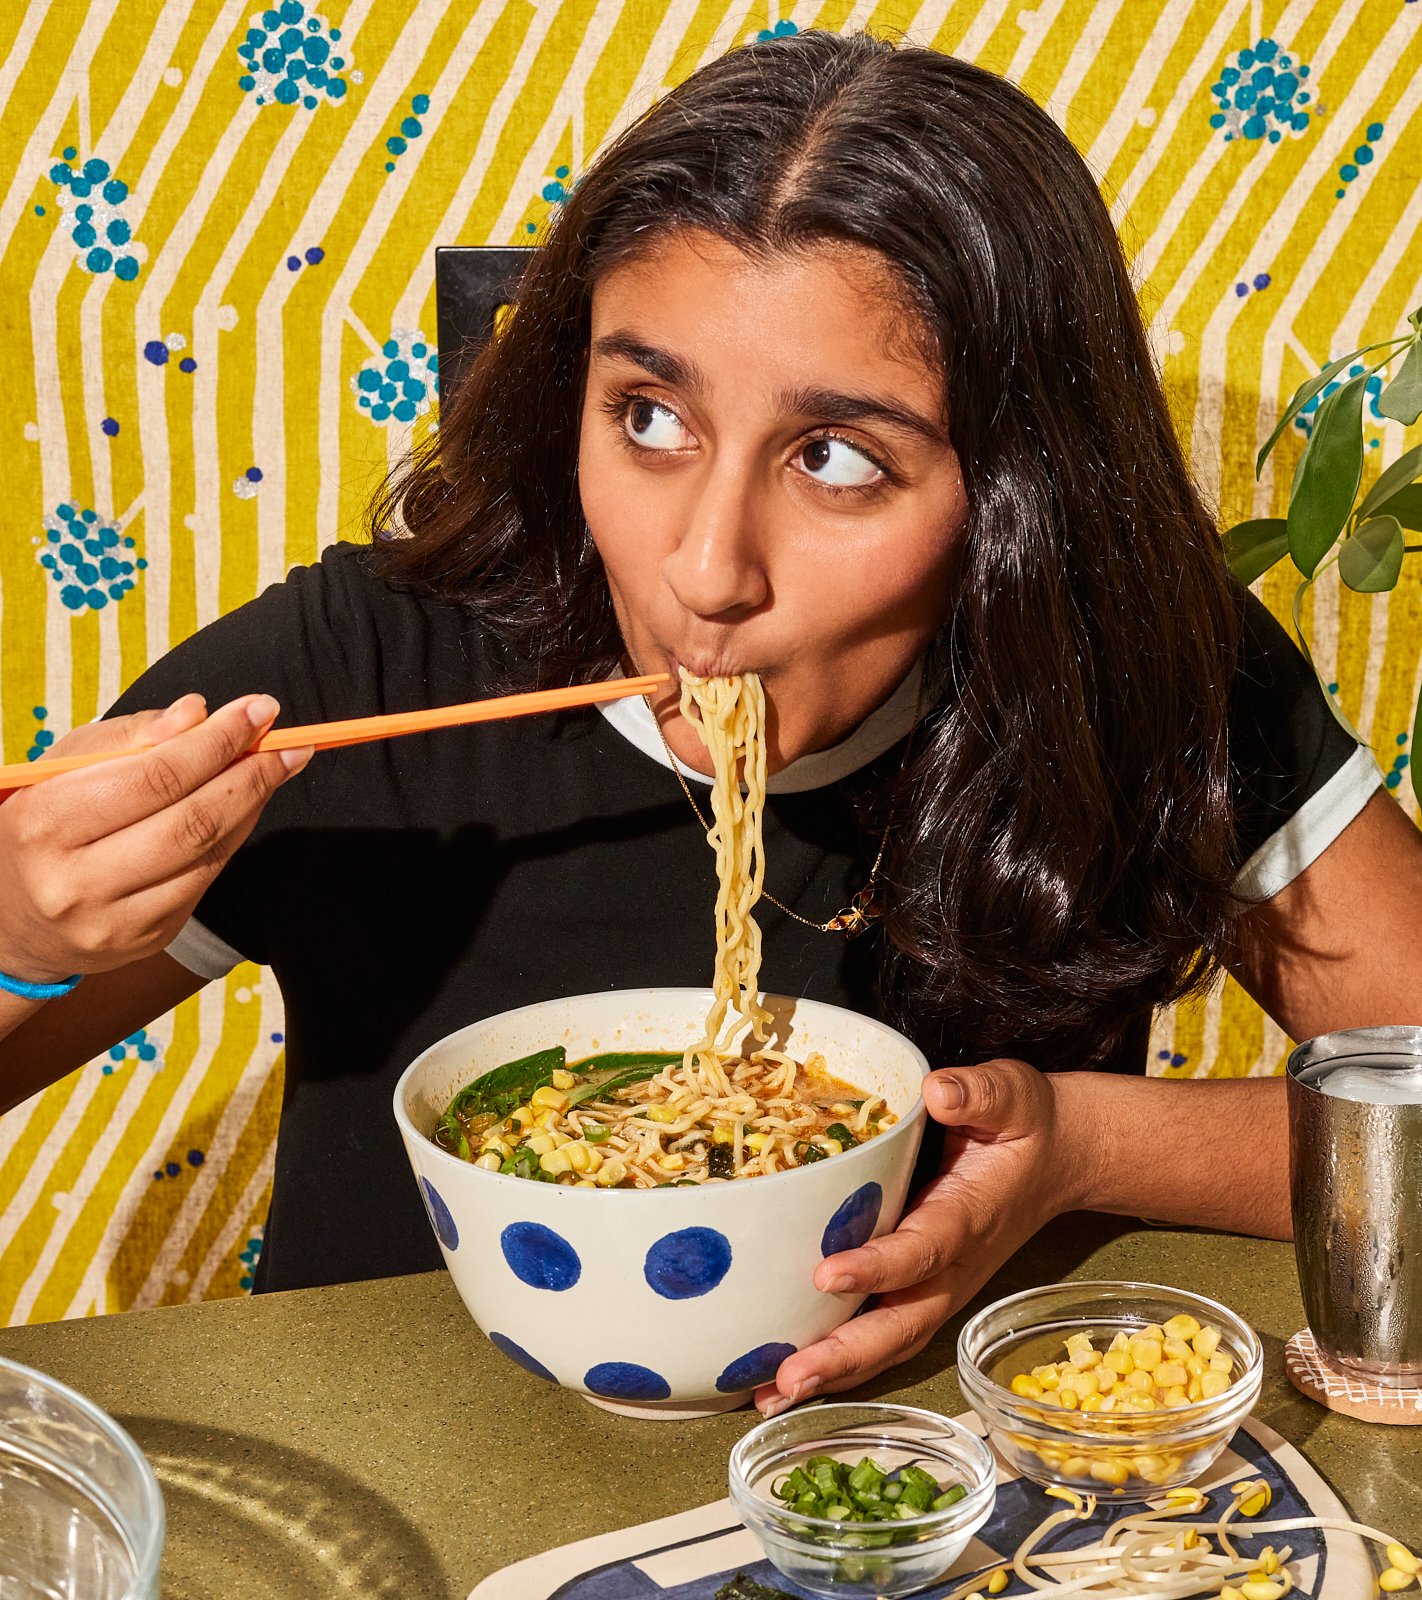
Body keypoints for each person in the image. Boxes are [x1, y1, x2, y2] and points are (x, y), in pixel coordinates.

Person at [1, 31, 1418, 1418]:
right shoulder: (374, 667)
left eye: (839, 459)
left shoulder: (1140, 673)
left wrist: (1084, 1145)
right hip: (397, 1482)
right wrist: (21, 936)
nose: (702, 571)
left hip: (912, 1505)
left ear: (1015, 494)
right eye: (649, 416)